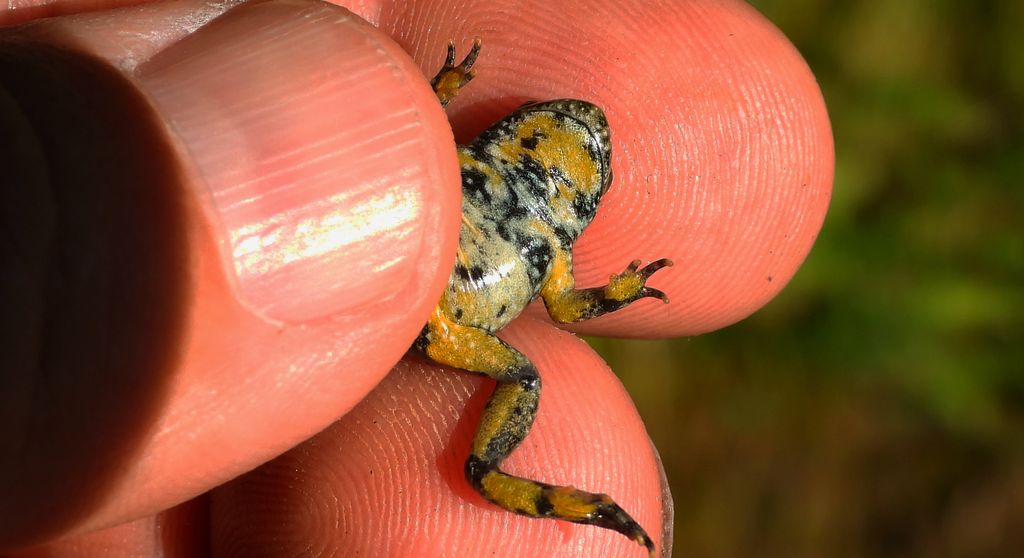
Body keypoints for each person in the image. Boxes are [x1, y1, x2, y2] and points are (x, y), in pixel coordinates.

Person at [0, 0, 833, 555]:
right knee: (523, 372)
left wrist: (447, 88)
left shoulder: (488, 175)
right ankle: (493, 476)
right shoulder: (553, 242)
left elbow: (427, 135)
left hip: (430, 291)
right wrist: (615, 289)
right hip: (443, 311)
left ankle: (500, 479)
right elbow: (568, 301)